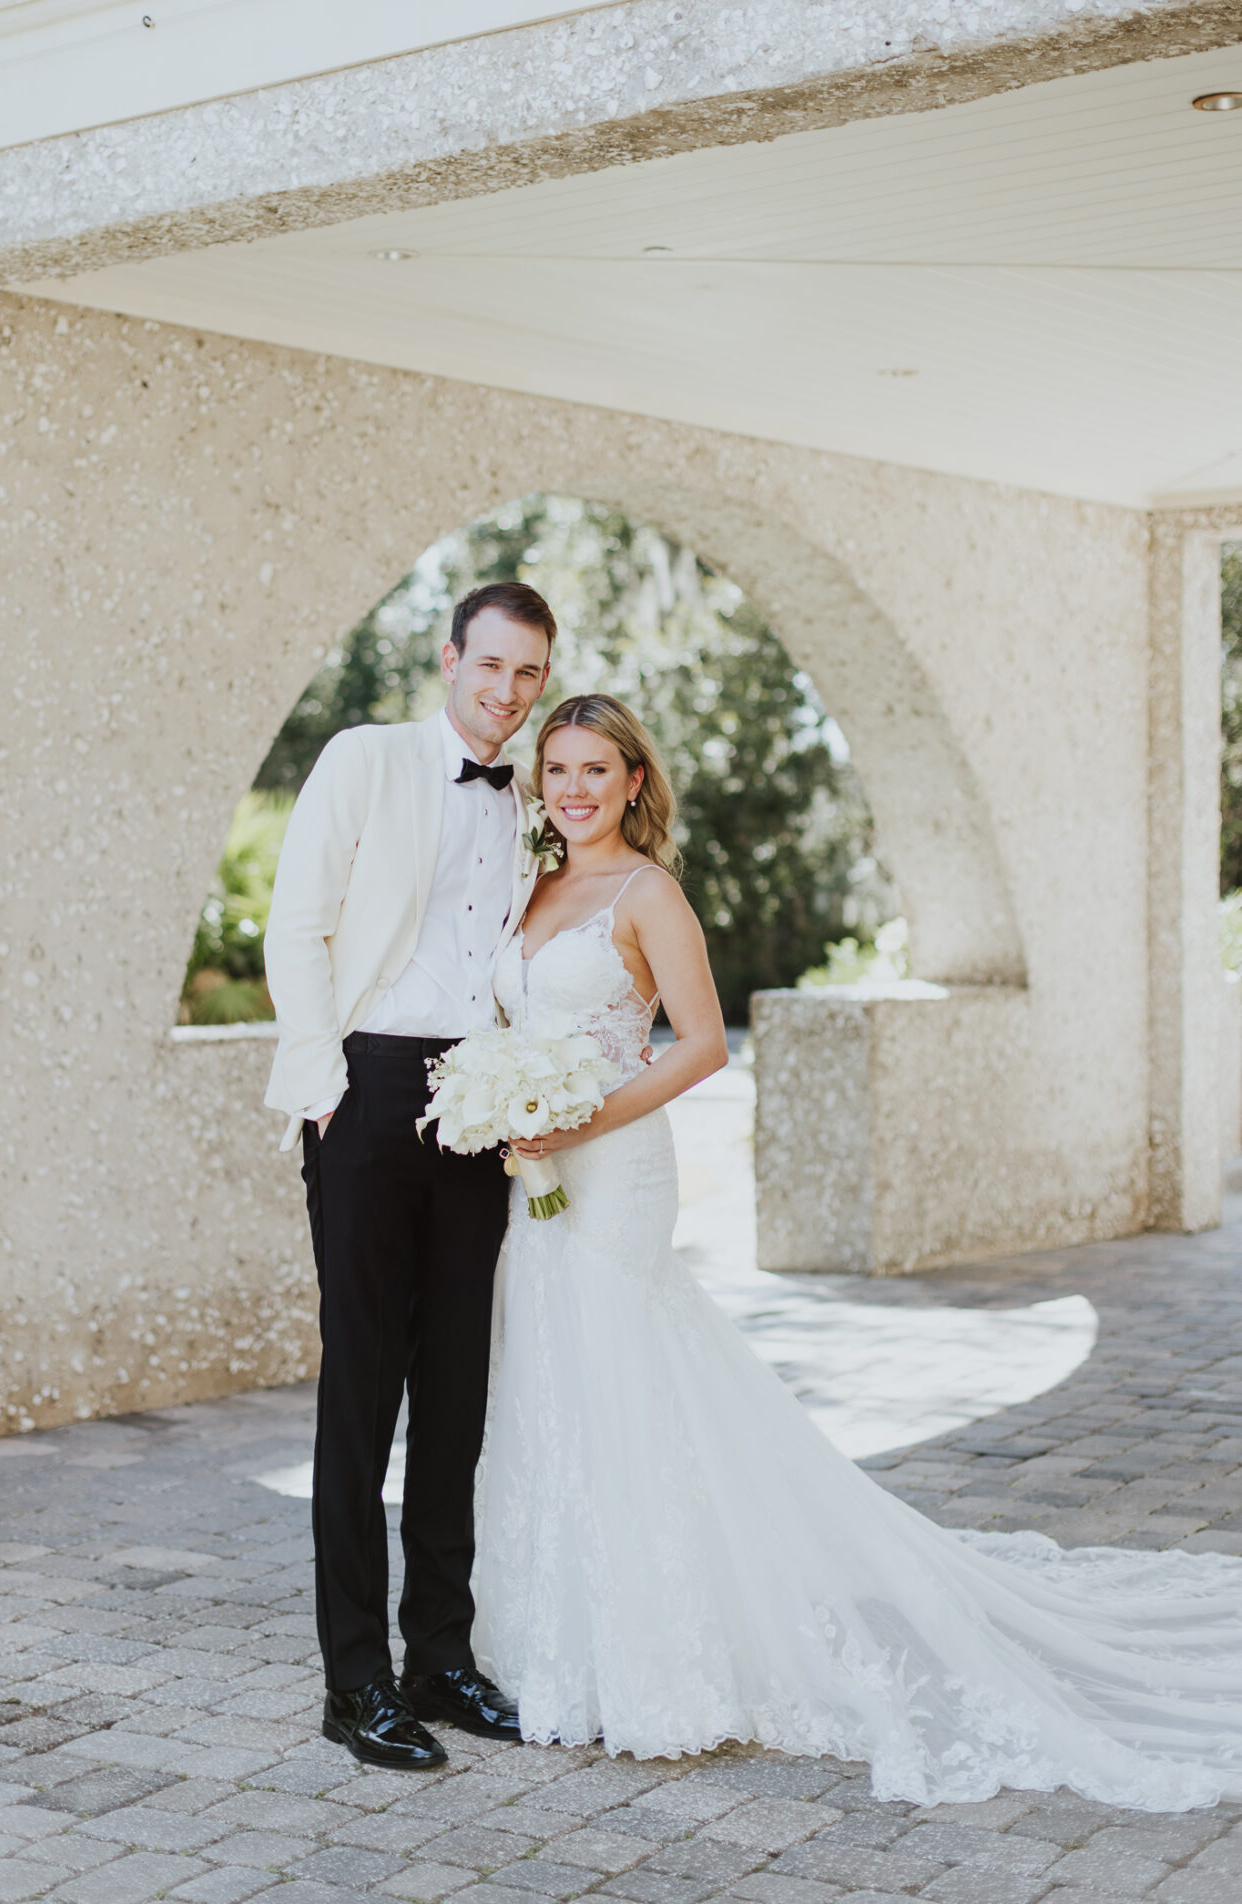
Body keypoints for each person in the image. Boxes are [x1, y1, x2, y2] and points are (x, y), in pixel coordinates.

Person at [477, 692, 1242, 1811]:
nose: (575, 789)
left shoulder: (649, 895)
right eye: (557, 770)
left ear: (634, 781)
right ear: (538, 782)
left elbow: (699, 1049)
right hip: (533, 1170)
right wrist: (498, 1101)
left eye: (597, 769)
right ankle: (556, 1646)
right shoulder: (527, 887)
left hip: (616, 1163)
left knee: (622, 1377)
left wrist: (575, 1118)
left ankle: (660, 1661)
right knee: (550, 1379)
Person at [262, 582, 556, 1770]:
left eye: (528, 674)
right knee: (362, 1387)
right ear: (449, 659)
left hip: (481, 1100)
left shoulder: (536, 796)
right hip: (370, 1089)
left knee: (457, 1393)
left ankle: (441, 1656)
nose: (506, 692)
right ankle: (355, 1682)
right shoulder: (366, 759)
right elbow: (297, 922)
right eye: (490, 667)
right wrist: (325, 1082)